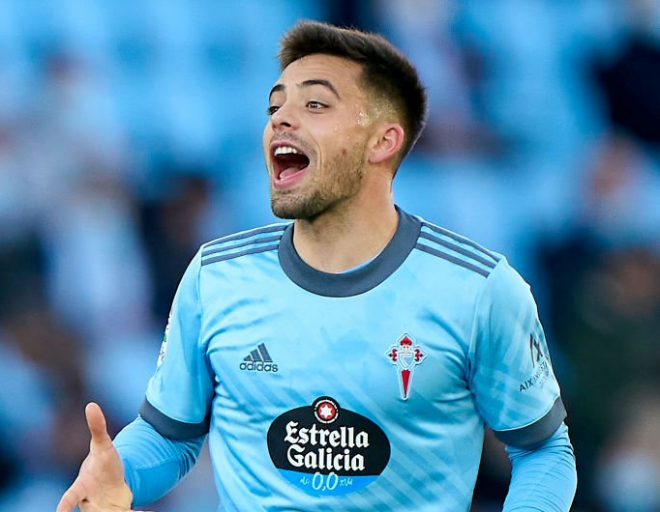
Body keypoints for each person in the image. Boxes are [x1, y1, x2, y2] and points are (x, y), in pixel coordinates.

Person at [57, 20, 577, 512]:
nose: (281, 119)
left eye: (314, 104)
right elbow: (170, 436)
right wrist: (120, 472)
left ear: (382, 141)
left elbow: (543, 453)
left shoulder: (480, 290)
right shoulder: (215, 277)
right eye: (274, 106)